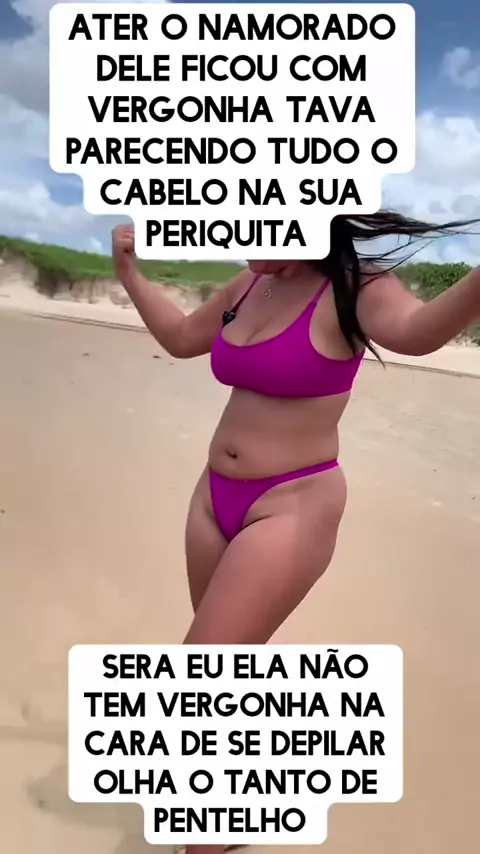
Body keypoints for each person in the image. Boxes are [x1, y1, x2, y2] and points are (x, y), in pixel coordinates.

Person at [112, 212, 479, 854]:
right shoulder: (250, 284)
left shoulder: (357, 288)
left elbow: (419, 333)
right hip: (212, 501)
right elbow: (181, 337)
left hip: (292, 505)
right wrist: (128, 272)